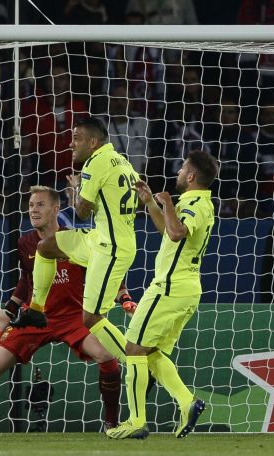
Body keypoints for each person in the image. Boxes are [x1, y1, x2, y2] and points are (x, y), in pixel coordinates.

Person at [0, 185, 128, 438]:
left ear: (56, 209)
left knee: (107, 359)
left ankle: (112, 424)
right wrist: (8, 312)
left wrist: (124, 297)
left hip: (72, 317)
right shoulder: (25, 243)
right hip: (36, 317)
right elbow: (26, 282)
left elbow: (105, 267)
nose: (33, 210)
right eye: (31, 205)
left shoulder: (76, 238)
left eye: (40, 205)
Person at [107, 149, 218, 439]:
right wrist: (150, 204)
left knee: (133, 349)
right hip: (185, 289)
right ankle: (187, 402)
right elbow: (169, 231)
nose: (179, 172)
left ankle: (136, 421)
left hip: (169, 288)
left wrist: (167, 202)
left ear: (191, 176)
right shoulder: (201, 202)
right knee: (151, 351)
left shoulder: (193, 202)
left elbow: (177, 232)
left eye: (183, 169)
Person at [12, 117, 139, 367]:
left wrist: (79, 189)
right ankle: (37, 310)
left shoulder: (94, 163)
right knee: (46, 247)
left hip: (109, 246)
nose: (71, 144)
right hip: (104, 238)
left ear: (93, 142)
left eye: (77, 139)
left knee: (91, 318)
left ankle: (137, 364)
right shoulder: (123, 161)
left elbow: (81, 213)